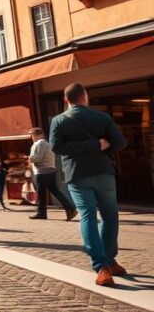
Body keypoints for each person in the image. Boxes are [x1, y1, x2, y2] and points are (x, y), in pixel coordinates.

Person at [50, 82, 127, 287]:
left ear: (66, 100)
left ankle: (102, 267)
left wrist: (86, 147)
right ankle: (109, 260)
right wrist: (98, 145)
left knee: (88, 217)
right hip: (104, 172)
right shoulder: (101, 117)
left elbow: (57, 147)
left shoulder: (58, 120)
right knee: (110, 216)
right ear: (85, 97)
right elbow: (120, 142)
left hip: (78, 175)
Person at [28, 127, 77, 221]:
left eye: (34, 134)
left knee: (41, 194)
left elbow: (37, 158)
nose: (32, 137)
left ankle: (41, 213)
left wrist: (30, 159)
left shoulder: (39, 143)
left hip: (42, 171)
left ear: (41, 135)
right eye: (32, 135)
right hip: (50, 170)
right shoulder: (47, 144)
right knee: (55, 191)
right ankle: (70, 209)